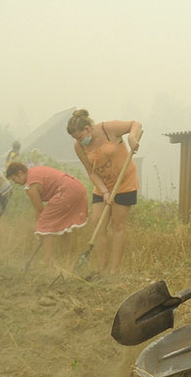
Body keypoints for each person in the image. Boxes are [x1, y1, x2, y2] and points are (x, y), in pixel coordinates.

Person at [66, 109, 142, 275]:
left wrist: (132, 137)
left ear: (87, 128)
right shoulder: (79, 146)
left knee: (117, 224)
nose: (78, 141)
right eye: (75, 138)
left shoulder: (109, 129)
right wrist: (104, 191)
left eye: (79, 136)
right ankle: (101, 269)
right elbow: (91, 172)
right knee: (98, 223)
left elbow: (135, 124)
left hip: (124, 182)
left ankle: (113, 270)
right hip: (103, 185)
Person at [6, 161, 88, 267]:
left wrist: (40, 229)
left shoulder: (31, 186)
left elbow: (40, 210)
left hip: (66, 191)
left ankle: (48, 261)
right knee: (64, 226)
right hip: (77, 187)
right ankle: (67, 260)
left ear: (20, 173)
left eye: (14, 179)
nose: (15, 182)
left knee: (45, 224)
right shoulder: (35, 171)